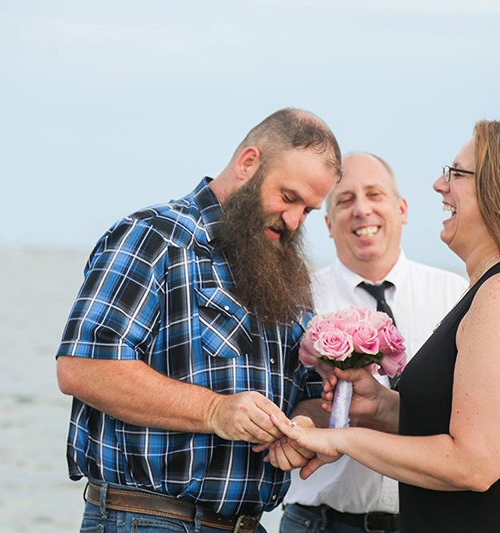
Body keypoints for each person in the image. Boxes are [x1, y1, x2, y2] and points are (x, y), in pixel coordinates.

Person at [272, 120, 500, 532]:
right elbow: (471, 423)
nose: (438, 185)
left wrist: (340, 440)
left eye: (456, 174)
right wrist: (381, 405)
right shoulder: (495, 289)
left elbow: (473, 462)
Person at [55, 108, 342, 533]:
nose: (294, 220)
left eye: (309, 210)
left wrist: (301, 427)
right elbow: (82, 368)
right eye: (288, 197)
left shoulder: (285, 273)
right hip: (148, 520)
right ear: (248, 163)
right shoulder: (155, 236)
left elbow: (315, 392)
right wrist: (214, 410)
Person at [273, 152, 467, 532]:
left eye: (374, 195)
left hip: (435, 521)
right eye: (345, 201)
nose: (362, 210)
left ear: (402, 209)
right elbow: (278, 398)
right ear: (329, 224)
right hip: (322, 522)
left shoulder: (456, 294)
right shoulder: (296, 300)